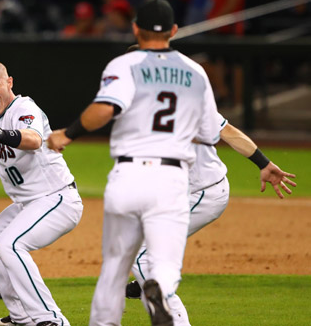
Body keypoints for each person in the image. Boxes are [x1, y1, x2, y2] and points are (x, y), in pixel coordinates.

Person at [47, 0, 222, 326]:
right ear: (173, 30)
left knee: (114, 267)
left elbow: (104, 109)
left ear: (135, 28)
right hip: (172, 179)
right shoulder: (196, 72)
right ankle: (160, 288)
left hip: (128, 175)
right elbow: (210, 134)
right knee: (166, 264)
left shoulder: (123, 65)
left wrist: (68, 134)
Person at [125, 113, 297, 325]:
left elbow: (227, 132)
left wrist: (263, 163)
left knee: (138, 252)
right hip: (183, 193)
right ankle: (148, 279)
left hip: (203, 193)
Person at [0, 61, 84, 326]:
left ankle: (51, 319)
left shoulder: (24, 107)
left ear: (9, 83)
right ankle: (22, 317)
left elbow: (33, 140)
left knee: (10, 244)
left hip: (57, 198)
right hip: (27, 204)